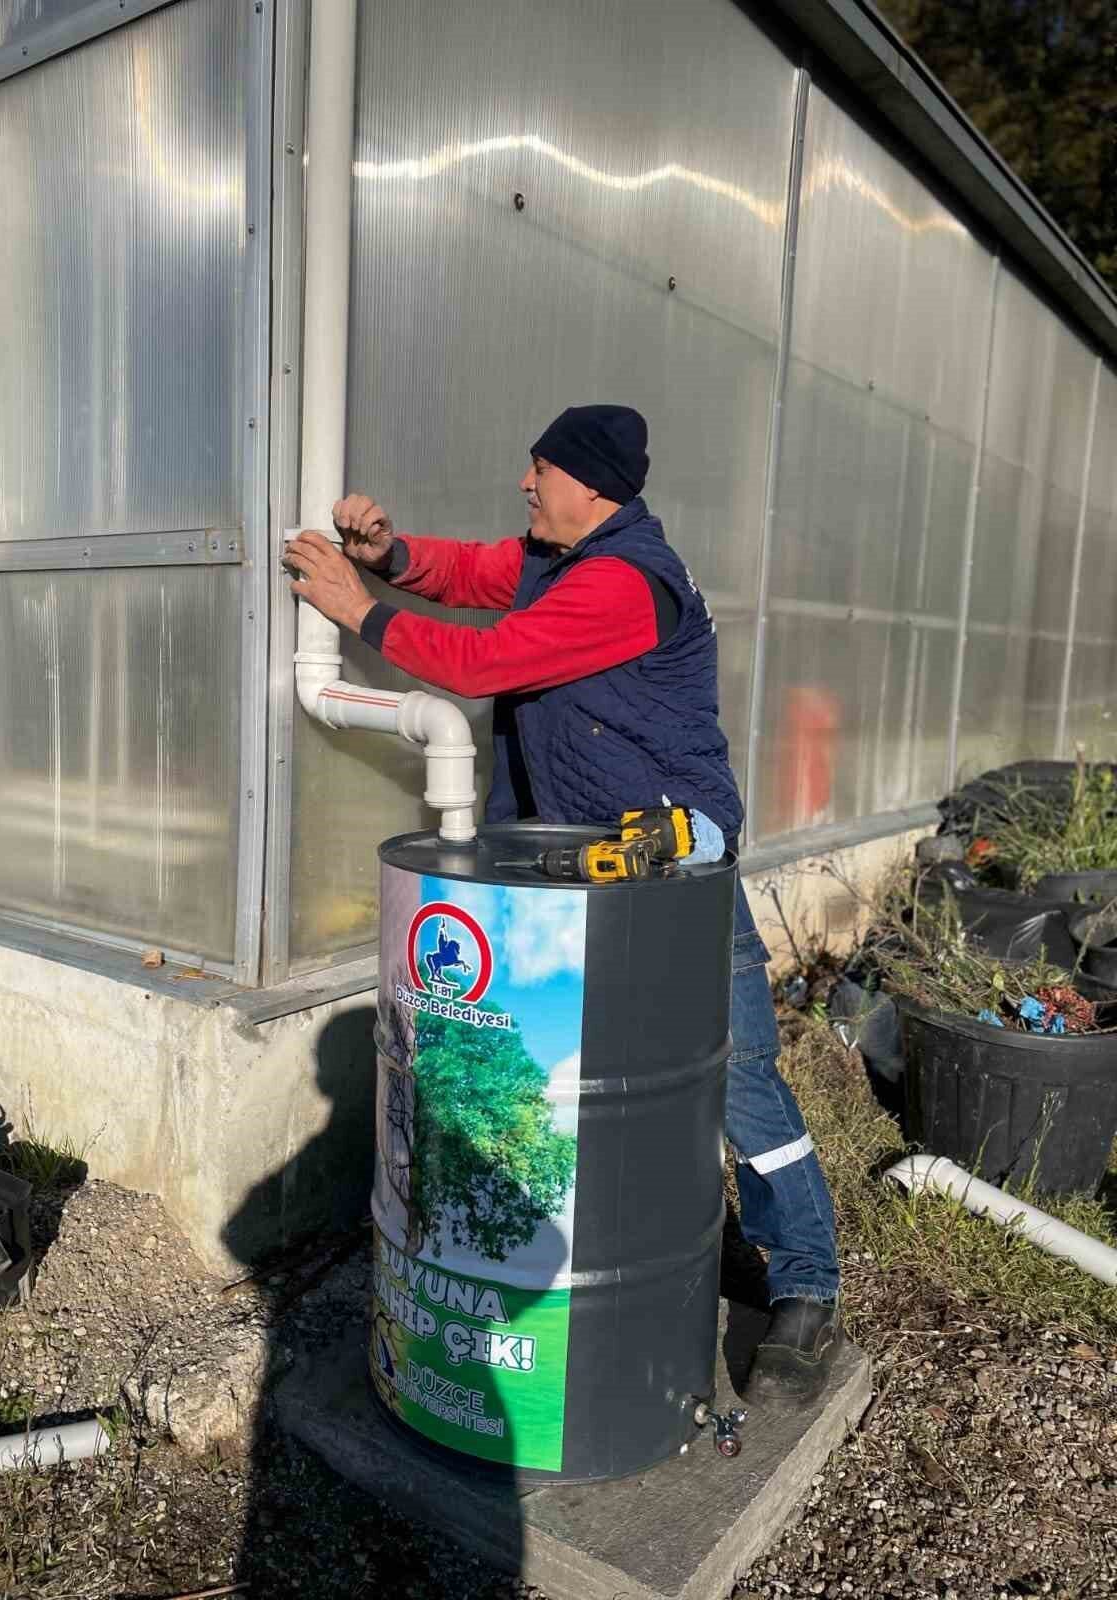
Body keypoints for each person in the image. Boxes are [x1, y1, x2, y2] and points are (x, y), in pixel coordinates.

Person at [285, 405, 841, 1404]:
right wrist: (387, 551)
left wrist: (352, 607)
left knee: (740, 1078)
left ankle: (804, 1277)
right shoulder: (557, 555)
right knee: (587, 1082)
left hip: (671, 868)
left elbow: (485, 661)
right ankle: (624, 1254)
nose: (523, 485)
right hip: (579, 871)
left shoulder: (625, 582)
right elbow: (466, 573)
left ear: (591, 486)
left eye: (537, 470)